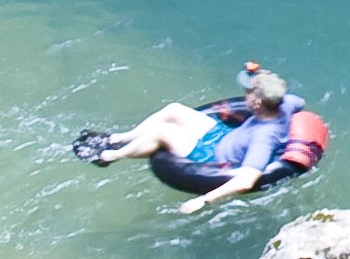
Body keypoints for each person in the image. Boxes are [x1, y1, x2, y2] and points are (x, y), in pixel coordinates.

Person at [77, 63, 312, 202]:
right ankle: (119, 138)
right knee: (174, 110)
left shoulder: (264, 137)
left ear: (258, 103)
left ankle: (108, 157)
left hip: (214, 155)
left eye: (249, 92)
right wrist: (263, 76)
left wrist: (205, 201)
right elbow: (299, 101)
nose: (245, 94)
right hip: (223, 135)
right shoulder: (286, 103)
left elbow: (247, 178)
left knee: (163, 132)